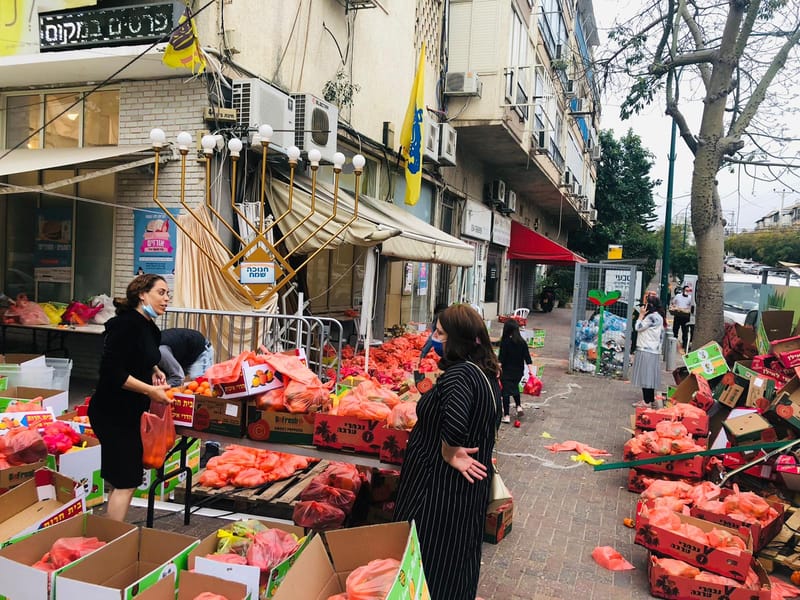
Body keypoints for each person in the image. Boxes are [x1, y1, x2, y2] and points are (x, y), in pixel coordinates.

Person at [394, 304, 501, 600]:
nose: (434, 339)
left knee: (428, 559)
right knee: (457, 560)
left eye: (440, 333)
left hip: (438, 492)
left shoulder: (459, 376)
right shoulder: (485, 374)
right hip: (464, 492)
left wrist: (449, 451)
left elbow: (454, 425)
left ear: (459, 338)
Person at [88, 274, 174, 522]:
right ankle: (112, 543)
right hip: (112, 413)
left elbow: (139, 359)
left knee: (123, 479)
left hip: (131, 413)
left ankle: (108, 534)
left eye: (168, 294)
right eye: (161, 292)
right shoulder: (125, 325)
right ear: (142, 294)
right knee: (126, 480)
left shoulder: (149, 328)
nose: (166, 299)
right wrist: (150, 390)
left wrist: (154, 371)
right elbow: (112, 372)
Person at [631, 295, 664, 409]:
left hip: (645, 349)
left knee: (645, 376)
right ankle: (650, 399)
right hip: (653, 350)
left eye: (646, 304)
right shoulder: (659, 317)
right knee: (649, 376)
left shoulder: (650, 318)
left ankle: (646, 401)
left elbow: (638, 327)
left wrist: (640, 315)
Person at [498, 319, 533, 423]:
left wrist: (497, 371)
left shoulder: (505, 342)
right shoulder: (522, 342)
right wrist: (531, 372)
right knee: (514, 387)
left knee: (505, 392)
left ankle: (507, 415)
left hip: (507, 371)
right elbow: (528, 358)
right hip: (518, 372)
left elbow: (501, 359)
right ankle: (518, 406)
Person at [670, 285, 693, 351]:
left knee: (685, 332)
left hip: (685, 317)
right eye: (686, 290)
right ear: (683, 290)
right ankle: (673, 345)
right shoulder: (678, 296)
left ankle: (685, 345)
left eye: (688, 291)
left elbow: (690, 307)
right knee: (675, 330)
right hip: (678, 315)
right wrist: (675, 307)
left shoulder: (690, 298)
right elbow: (673, 303)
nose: (687, 292)